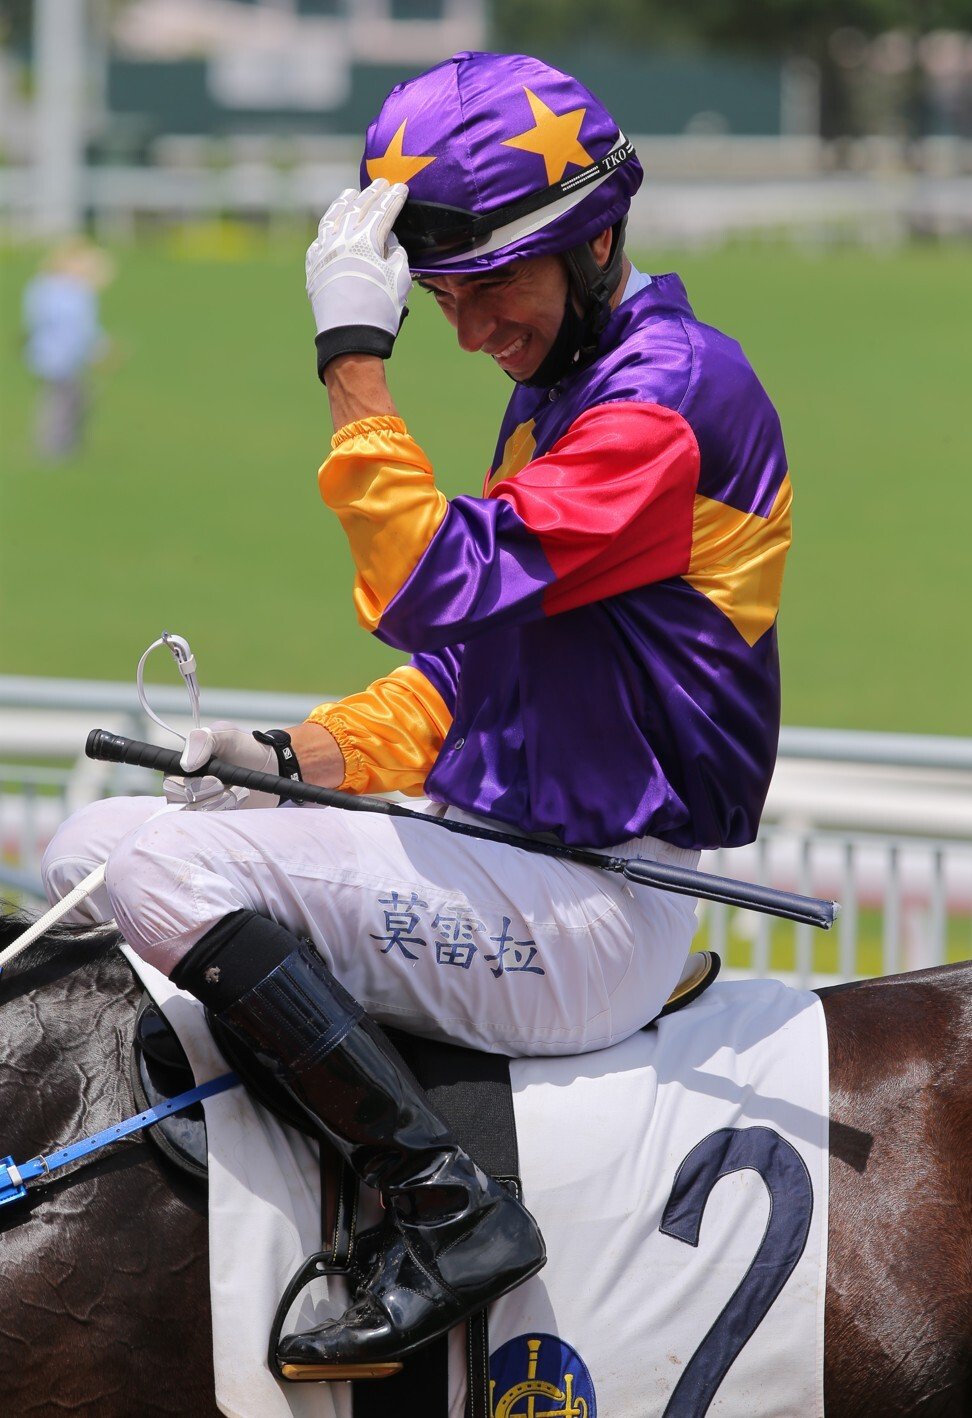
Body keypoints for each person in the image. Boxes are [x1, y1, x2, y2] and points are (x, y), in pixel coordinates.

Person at [41, 52, 791, 1378]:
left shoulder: (667, 395)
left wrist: (352, 359)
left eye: (492, 281)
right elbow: (463, 672)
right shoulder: (565, 394)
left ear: (597, 241)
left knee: (127, 856)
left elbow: (429, 583)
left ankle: (450, 1213)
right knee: (103, 837)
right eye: (438, 295)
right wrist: (293, 753)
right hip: (516, 869)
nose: (467, 326)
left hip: (584, 910)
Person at [21, 240, 114, 461]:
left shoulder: (43, 287)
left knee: (68, 398)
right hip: (58, 355)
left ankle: (62, 444)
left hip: (53, 354)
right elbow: (80, 328)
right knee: (62, 400)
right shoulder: (70, 292)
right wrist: (100, 350)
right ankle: (53, 446)